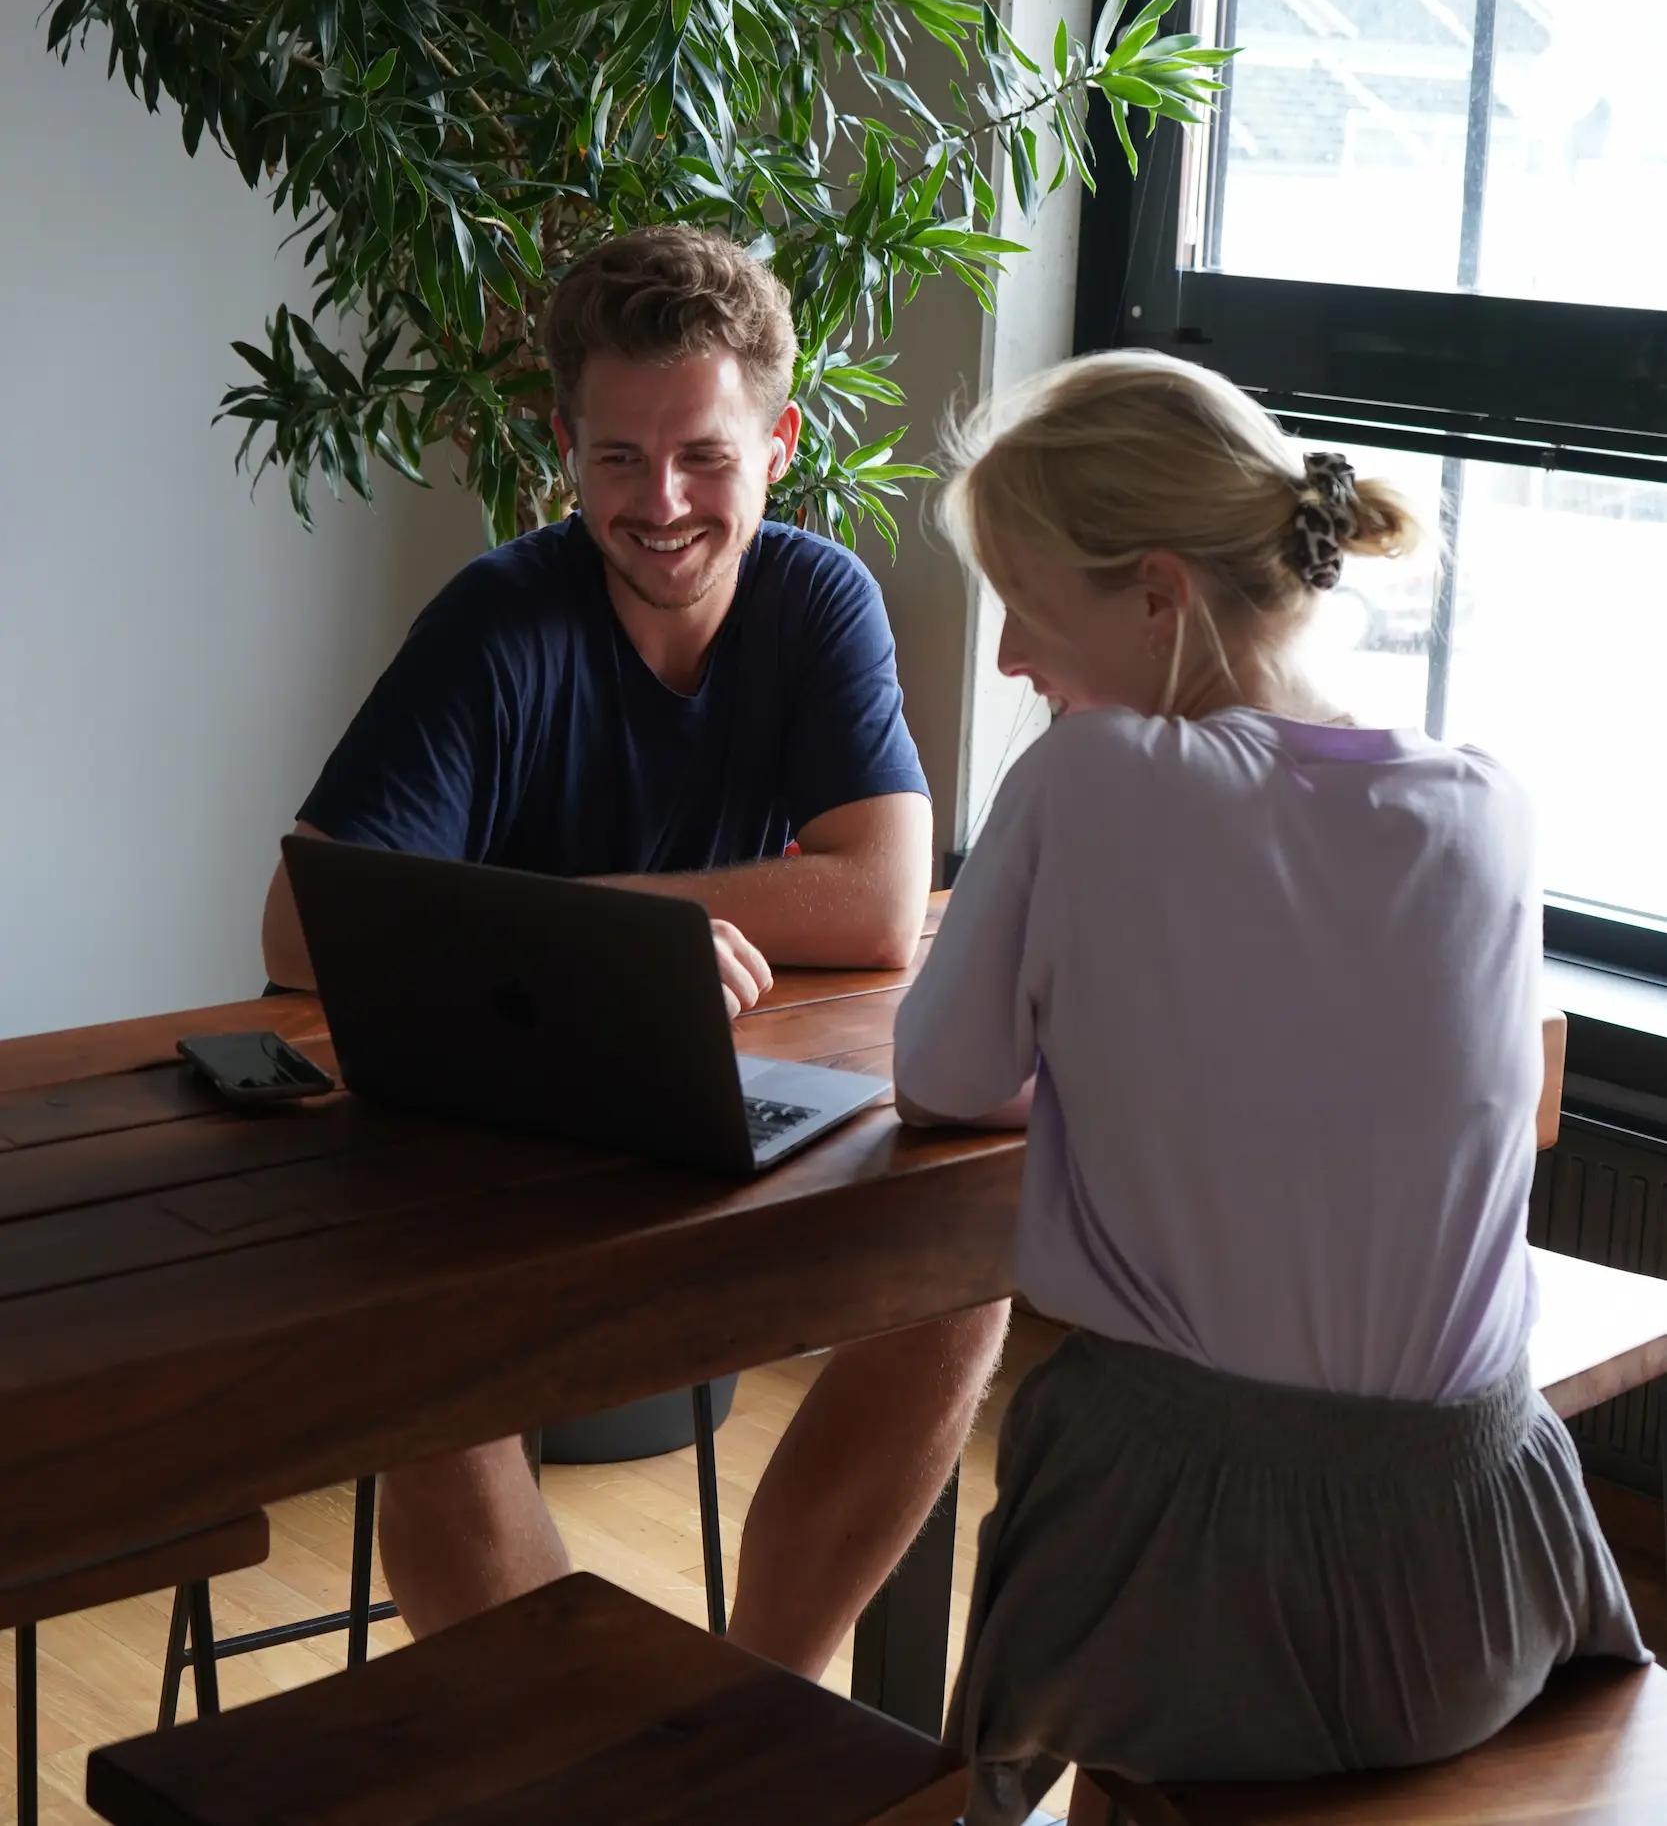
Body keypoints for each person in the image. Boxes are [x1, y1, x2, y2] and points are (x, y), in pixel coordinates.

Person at [891, 351, 1646, 1826]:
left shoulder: (1090, 778)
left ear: (1159, 595)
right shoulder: (1491, 800)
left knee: (1089, 1416)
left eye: (1027, 614)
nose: (1008, 667)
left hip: (1200, 1595)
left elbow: (946, 1075)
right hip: (1491, 1575)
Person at [260, 223, 1008, 1669]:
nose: (660, 503)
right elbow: (300, 928)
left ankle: (751, 1709)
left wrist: (596, 933)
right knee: (430, 1364)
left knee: (959, 1273)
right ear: (563, 442)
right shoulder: (497, 620)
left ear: (780, 443)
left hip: (722, 1103)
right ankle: (582, 1763)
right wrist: (624, 935)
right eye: (617, 458)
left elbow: (877, 898)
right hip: (492, 1136)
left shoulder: (818, 597)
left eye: (704, 458)